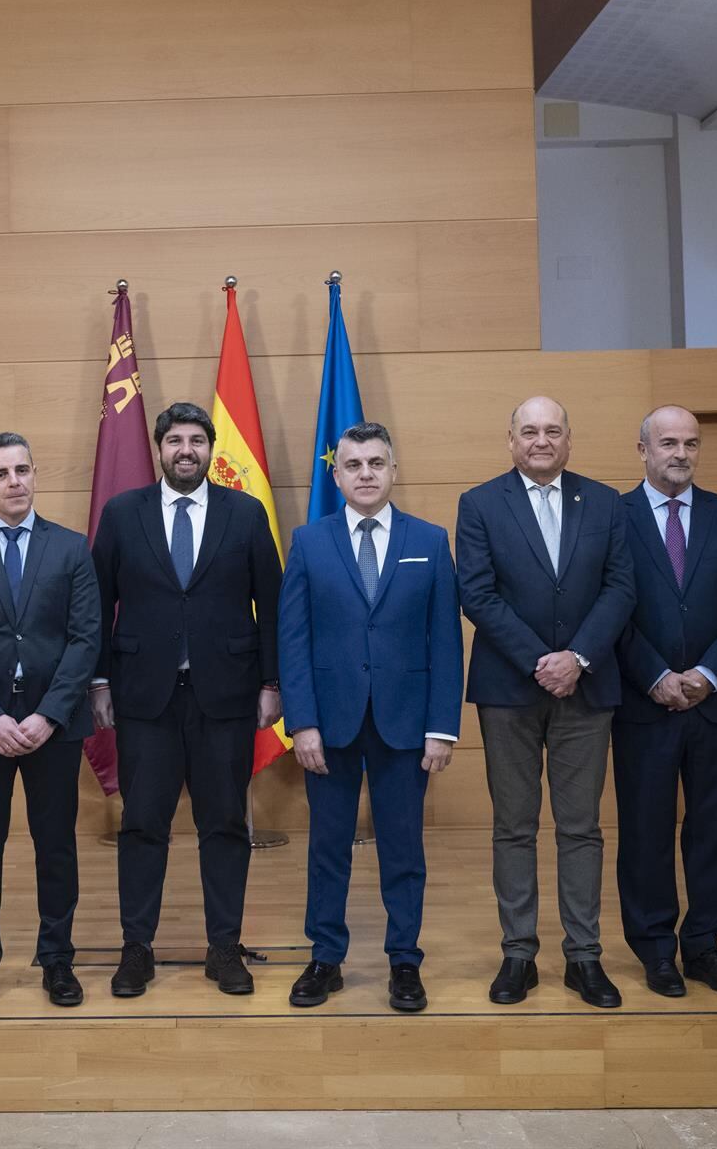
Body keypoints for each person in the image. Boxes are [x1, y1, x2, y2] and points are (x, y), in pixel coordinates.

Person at [90, 400, 283, 999]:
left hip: (224, 696)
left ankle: (224, 947)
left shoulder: (245, 514)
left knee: (224, 824)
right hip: (143, 697)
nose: (186, 451)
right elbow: (95, 603)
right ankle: (136, 948)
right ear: (159, 448)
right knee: (143, 824)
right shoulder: (123, 514)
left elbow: (273, 606)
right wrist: (98, 681)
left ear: (210, 450)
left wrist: (272, 685)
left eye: (197, 440)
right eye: (175, 440)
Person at [456, 395, 634, 1009]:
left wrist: (576, 659)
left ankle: (584, 956)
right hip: (509, 690)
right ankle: (519, 954)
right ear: (510, 441)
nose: (540, 440)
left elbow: (621, 588)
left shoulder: (606, 502)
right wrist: (542, 660)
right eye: (529, 431)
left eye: (552, 430)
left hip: (587, 687)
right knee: (513, 826)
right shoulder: (479, 504)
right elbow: (477, 595)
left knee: (581, 827)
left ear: (568, 440)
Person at [278, 422, 462, 1012]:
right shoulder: (309, 541)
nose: (365, 474)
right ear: (337, 474)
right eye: (353, 465)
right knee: (328, 847)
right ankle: (325, 957)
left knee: (403, 849)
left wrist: (442, 726)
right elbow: (294, 639)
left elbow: (444, 643)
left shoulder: (430, 541)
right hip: (328, 725)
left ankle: (404, 962)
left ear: (393, 470)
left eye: (376, 463)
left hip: (405, 724)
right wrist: (301, 722)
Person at [0, 432, 102, 1011]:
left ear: (36, 474)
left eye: (23, 470)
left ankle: (57, 959)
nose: (15, 482)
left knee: (56, 847)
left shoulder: (72, 547)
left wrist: (50, 715)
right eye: (1, 473)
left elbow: (85, 640)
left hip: (55, 726)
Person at [611, 406, 717, 998]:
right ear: (642, 449)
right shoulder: (611, 516)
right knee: (645, 830)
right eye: (667, 442)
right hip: (643, 703)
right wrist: (654, 674)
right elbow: (609, 607)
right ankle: (654, 949)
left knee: (713, 830)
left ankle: (705, 945)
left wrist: (705, 673)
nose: (680, 453)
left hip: (714, 702)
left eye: (691, 444)